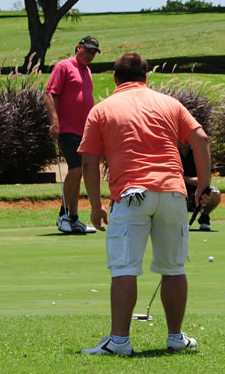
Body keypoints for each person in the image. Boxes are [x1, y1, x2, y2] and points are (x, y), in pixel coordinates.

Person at [78, 52, 212, 356]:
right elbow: (200, 139)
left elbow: (88, 162)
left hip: (131, 195)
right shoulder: (169, 104)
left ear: (115, 78)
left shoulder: (102, 109)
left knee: (124, 267)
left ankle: (120, 341)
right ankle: (175, 336)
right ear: (146, 77)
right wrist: (203, 185)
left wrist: (96, 205)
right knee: (174, 268)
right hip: (173, 192)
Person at [44, 36, 100, 234]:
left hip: (84, 130)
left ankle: (74, 218)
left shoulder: (88, 71)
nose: (90, 54)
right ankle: (63, 215)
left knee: (79, 173)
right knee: (76, 170)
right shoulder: (64, 66)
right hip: (67, 128)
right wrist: (55, 122)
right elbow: (50, 94)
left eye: (93, 52)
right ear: (78, 47)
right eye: (88, 50)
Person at [179, 141, 221, 230]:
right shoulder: (171, 151)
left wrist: (182, 177)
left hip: (198, 191)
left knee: (215, 194)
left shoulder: (201, 151)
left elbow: (206, 180)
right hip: (178, 190)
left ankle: (204, 217)